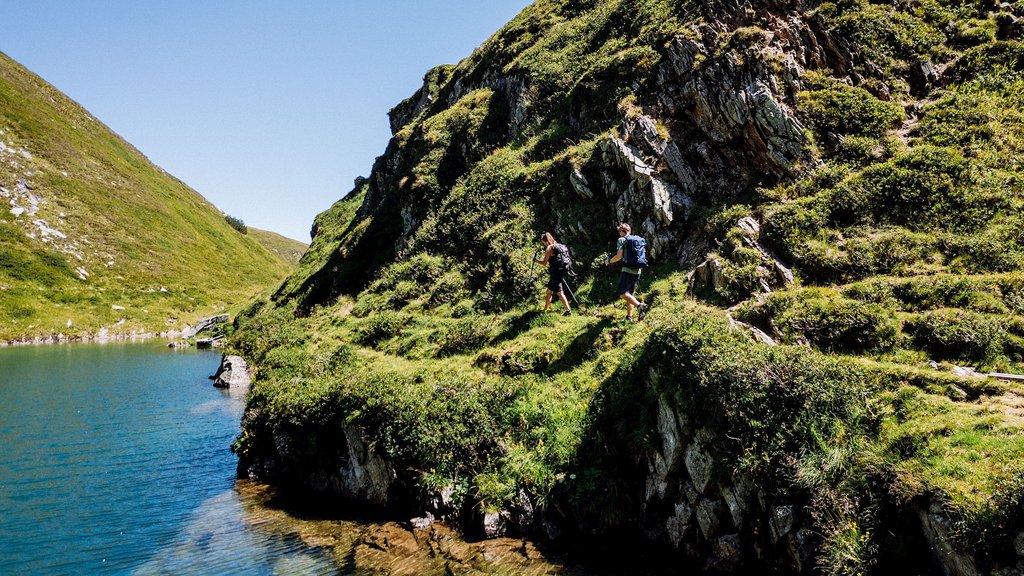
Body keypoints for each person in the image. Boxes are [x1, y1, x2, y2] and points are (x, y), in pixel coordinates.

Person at [606, 223, 648, 321]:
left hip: (627, 269)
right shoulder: (638, 239)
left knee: (622, 293)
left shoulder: (621, 240)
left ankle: (640, 306)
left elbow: (619, 256)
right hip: (638, 270)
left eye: (619, 231)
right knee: (629, 294)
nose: (619, 233)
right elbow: (644, 252)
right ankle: (629, 317)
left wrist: (609, 261)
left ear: (622, 231)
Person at [534, 232, 573, 316]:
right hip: (560, 270)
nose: (543, 244)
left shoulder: (549, 248)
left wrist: (536, 261)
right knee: (549, 291)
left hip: (555, 272)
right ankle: (545, 309)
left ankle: (568, 311)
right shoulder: (558, 245)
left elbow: (544, 263)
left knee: (559, 292)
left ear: (545, 241)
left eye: (543, 242)